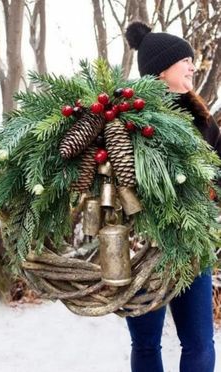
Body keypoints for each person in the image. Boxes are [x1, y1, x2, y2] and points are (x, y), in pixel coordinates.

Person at [125, 21, 221, 372]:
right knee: (147, 345)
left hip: (193, 247)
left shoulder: (202, 119)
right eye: (186, 60)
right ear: (161, 70)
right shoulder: (130, 118)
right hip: (143, 247)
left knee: (199, 344)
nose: (193, 66)